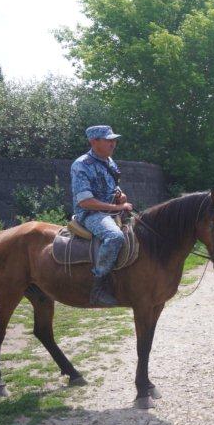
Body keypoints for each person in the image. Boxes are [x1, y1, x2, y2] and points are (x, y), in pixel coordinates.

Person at [70, 125, 133, 306]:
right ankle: (98, 288)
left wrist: (121, 196)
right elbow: (85, 202)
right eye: (108, 140)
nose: (113, 143)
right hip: (90, 214)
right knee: (114, 236)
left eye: (114, 139)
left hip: (111, 210)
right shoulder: (81, 165)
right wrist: (116, 208)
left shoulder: (109, 161)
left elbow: (113, 187)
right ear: (93, 142)